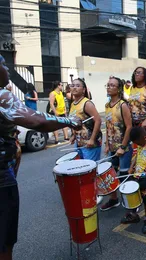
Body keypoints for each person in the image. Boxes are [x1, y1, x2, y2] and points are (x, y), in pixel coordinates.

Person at [0, 63, 81, 260]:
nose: (7, 69)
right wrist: (69, 121)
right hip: (2, 179)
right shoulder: (2, 96)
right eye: (3, 64)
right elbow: (38, 120)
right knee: (3, 241)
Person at [100, 77, 133, 211]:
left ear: (119, 89)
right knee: (110, 175)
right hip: (113, 147)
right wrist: (107, 144)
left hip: (123, 147)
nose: (109, 87)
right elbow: (108, 127)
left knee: (124, 176)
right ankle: (114, 199)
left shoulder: (123, 105)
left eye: (112, 85)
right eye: (108, 85)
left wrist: (123, 147)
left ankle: (130, 207)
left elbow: (129, 127)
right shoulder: (107, 105)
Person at [69, 78, 102, 161]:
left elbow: (98, 120)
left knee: (90, 169)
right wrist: (73, 136)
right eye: (72, 85)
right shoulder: (73, 104)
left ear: (83, 90)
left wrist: (92, 139)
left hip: (90, 144)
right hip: (80, 142)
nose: (74, 88)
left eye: (77, 86)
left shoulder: (87, 103)